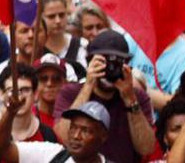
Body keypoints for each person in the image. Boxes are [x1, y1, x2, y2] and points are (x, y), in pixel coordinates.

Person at [54, 30, 155, 163]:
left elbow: (146, 148)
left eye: (117, 62)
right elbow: (63, 137)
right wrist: (88, 85)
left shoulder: (136, 96)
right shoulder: (71, 93)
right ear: (90, 61)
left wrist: (130, 98)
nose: (110, 68)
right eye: (104, 61)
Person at [0, 64, 58, 163]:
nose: (18, 97)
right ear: (1, 94)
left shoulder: (48, 136)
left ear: (35, 94)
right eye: (12, 90)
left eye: (25, 90)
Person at [0, 98, 109, 163]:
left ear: (103, 136)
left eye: (86, 130)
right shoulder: (51, 154)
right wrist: (10, 113)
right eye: (73, 127)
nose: (76, 136)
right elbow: (1, 148)